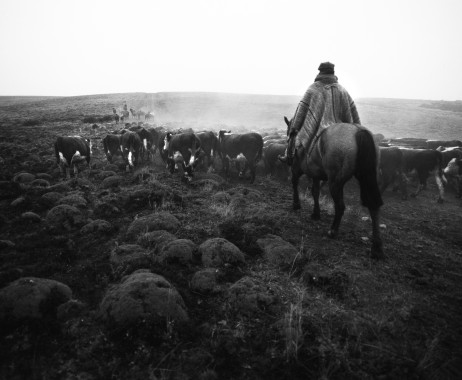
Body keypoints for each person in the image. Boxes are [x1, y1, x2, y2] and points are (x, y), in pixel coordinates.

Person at [279, 62, 361, 163]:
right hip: (341, 127)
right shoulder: (342, 90)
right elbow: (352, 112)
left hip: (318, 128)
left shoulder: (313, 88)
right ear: (333, 72)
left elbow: (302, 111)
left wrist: (294, 127)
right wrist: (357, 127)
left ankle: (289, 157)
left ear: (320, 72)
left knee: (293, 135)